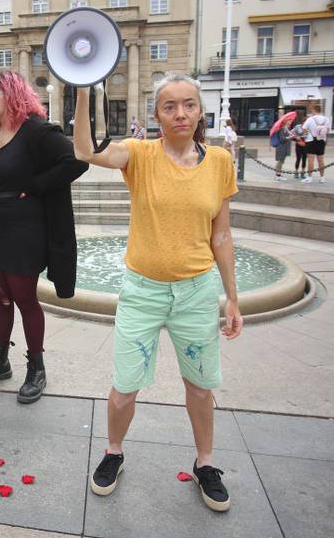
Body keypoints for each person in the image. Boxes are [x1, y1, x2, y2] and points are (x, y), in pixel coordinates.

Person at [73, 73, 242, 512]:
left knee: (201, 387)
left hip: (196, 292)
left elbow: (221, 236)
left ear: (201, 111)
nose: (180, 113)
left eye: (188, 104)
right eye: (169, 106)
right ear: (156, 115)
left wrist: (233, 298)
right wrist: (83, 87)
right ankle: (113, 451)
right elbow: (85, 151)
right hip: (143, 291)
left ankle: (205, 462)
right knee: (124, 387)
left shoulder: (221, 161)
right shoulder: (141, 155)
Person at [0, 71, 87, 403]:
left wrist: (34, 186)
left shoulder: (34, 130)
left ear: (12, 96)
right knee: (0, 296)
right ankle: (0, 360)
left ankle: (36, 366)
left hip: (24, 232)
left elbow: (75, 162)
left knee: (24, 299)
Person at [301, 106, 329, 184]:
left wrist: (308, 132)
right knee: (321, 160)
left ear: (314, 110)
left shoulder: (310, 119)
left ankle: (309, 177)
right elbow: (327, 130)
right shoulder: (326, 119)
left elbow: (304, 128)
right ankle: (322, 177)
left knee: (310, 160)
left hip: (311, 140)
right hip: (321, 140)